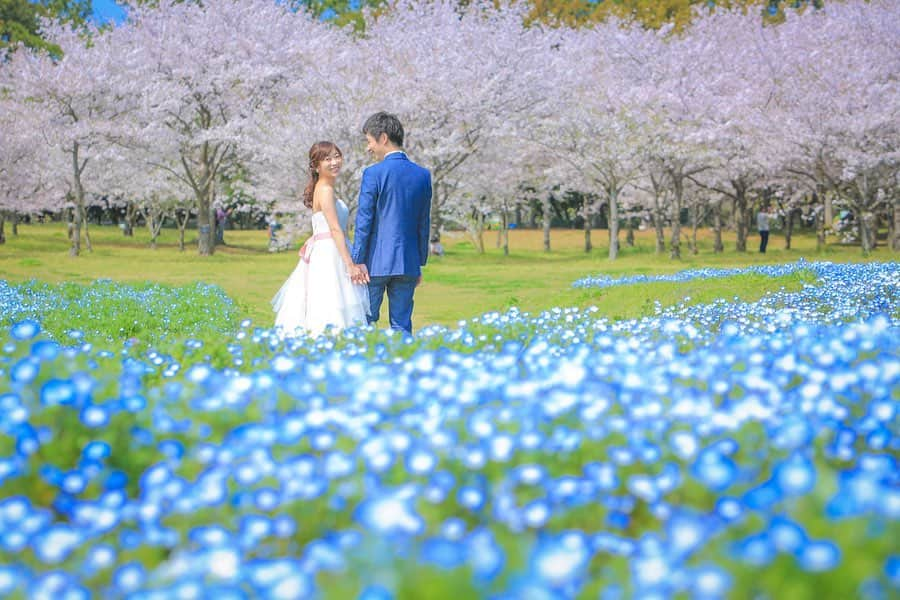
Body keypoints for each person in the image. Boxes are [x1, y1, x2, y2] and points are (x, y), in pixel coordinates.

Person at [271, 142, 369, 337]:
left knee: (335, 300)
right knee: (332, 301)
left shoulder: (324, 188)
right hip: (330, 253)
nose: (334, 162)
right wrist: (350, 264)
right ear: (316, 166)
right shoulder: (325, 190)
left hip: (331, 247)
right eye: (327, 159)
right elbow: (335, 228)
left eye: (336, 156)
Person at [351, 112, 432, 335]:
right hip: (407, 262)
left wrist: (357, 260)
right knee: (402, 325)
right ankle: (403, 365)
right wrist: (419, 263)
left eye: (369, 141)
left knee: (365, 323)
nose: (368, 148)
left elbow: (364, 220)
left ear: (383, 138)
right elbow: (423, 223)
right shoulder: (423, 175)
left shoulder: (373, 173)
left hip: (374, 263)